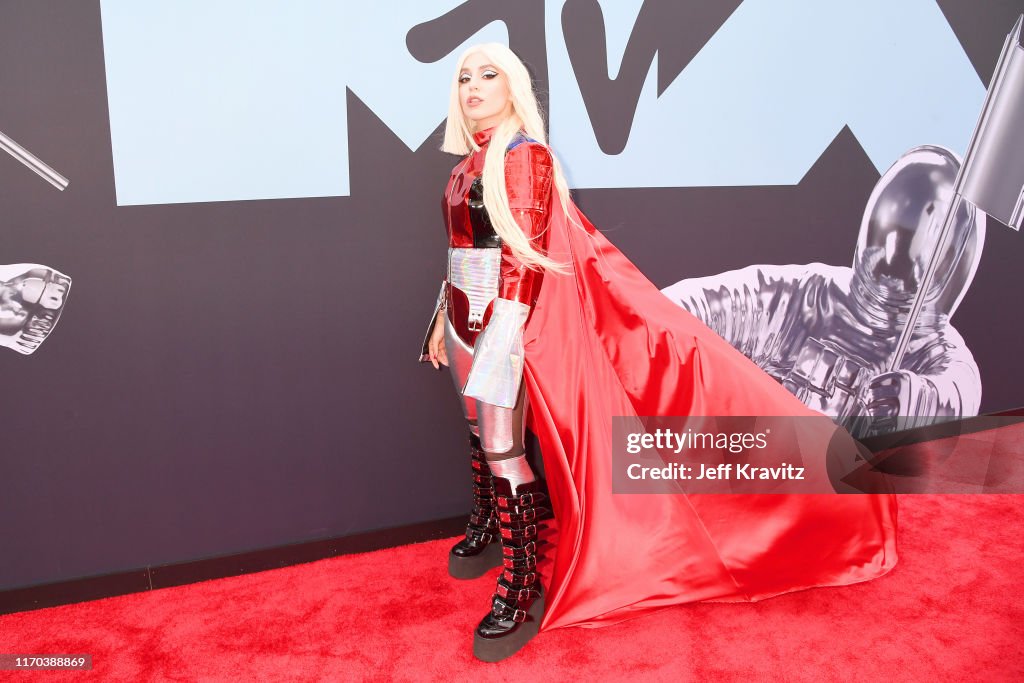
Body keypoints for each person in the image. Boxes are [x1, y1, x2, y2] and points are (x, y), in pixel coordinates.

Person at [420, 43, 898, 663]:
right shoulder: (465, 166)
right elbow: (460, 248)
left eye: (489, 75)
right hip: (464, 313)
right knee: (476, 432)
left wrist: (502, 334)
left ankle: (521, 583)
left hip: (504, 319)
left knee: (504, 446)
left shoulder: (524, 156)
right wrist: (439, 319)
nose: (474, 86)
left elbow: (522, 255)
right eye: (464, 78)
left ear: (514, 89)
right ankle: (486, 527)